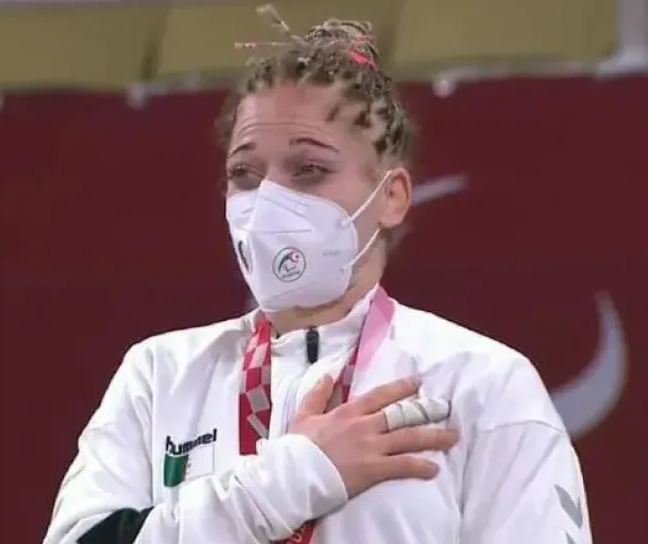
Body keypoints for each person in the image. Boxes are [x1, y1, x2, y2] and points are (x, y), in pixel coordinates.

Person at [43, 6, 591, 544]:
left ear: (392, 196)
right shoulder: (161, 375)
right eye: (244, 173)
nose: (269, 200)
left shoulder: (482, 384)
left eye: (309, 170)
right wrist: (294, 477)